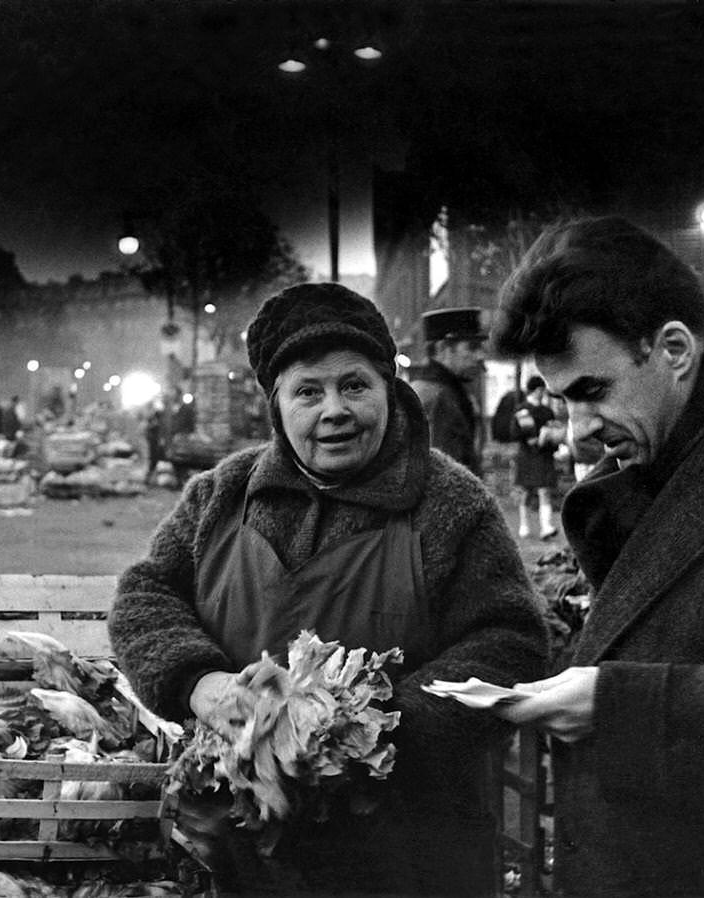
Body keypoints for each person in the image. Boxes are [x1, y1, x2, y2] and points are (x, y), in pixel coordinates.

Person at [109, 283, 548, 896]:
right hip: (242, 852)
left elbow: (511, 640)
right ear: (278, 406)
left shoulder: (451, 502)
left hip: (412, 854)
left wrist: (366, 731)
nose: (334, 409)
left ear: (388, 391)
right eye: (308, 392)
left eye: (355, 385)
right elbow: (145, 595)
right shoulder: (222, 495)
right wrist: (201, 684)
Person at [487, 216, 704, 897]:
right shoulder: (657, 455)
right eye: (561, 402)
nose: (577, 435)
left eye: (593, 393)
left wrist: (623, 705)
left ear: (673, 348)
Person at [408, 307, 488, 475]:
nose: (481, 355)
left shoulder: (430, 390)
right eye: (472, 347)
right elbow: (443, 476)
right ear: (443, 348)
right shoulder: (438, 398)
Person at [510, 375, 560, 540]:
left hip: (544, 455)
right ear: (535, 390)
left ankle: (546, 527)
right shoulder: (522, 409)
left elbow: (555, 431)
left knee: (544, 490)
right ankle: (524, 526)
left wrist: (551, 440)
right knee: (526, 492)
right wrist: (530, 438)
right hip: (527, 455)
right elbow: (515, 433)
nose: (543, 392)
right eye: (541, 389)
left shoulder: (547, 411)